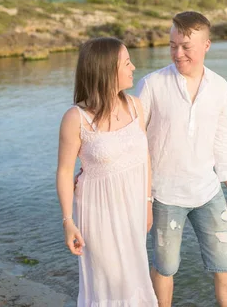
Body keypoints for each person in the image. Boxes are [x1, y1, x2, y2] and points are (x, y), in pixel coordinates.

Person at [135, 11, 227, 307]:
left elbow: (222, 141)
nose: (178, 54)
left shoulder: (221, 87)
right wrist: (142, 198)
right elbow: (133, 143)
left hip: (208, 193)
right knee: (164, 268)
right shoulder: (152, 85)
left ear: (206, 45)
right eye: (172, 46)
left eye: (186, 47)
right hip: (164, 195)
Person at [56, 37, 157, 306]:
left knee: (134, 280)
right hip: (98, 216)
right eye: (126, 63)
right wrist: (68, 222)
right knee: (111, 285)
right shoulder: (76, 119)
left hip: (134, 211)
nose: (133, 67)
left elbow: (144, 156)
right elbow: (65, 172)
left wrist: (147, 203)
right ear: (106, 70)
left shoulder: (135, 105)